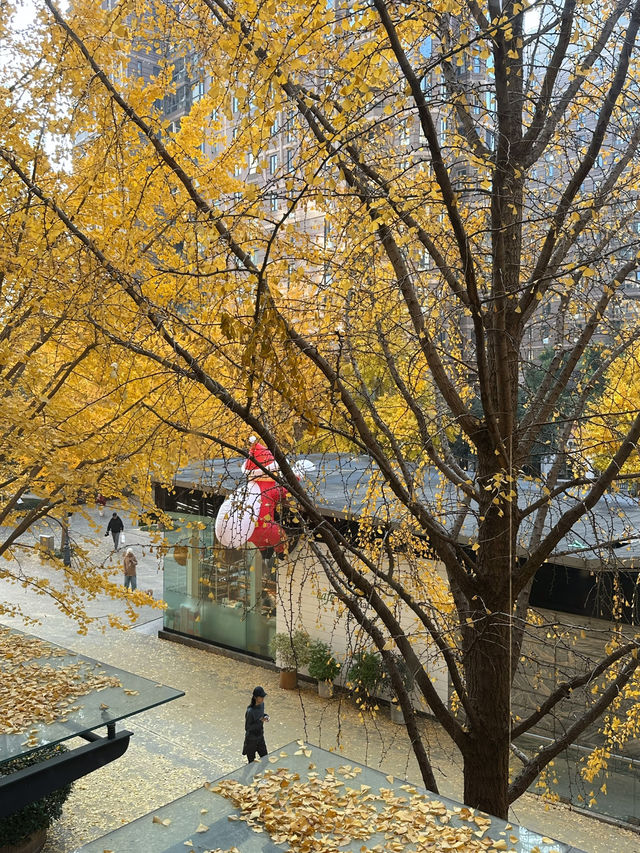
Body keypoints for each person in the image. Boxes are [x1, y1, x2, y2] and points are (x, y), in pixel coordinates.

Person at [242, 686, 269, 762]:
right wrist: (260, 721)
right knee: (251, 763)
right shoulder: (250, 711)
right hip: (251, 740)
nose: (263, 699)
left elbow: (262, 714)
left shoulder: (262, 705)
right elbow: (248, 727)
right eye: (261, 697)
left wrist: (266, 716)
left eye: (263, 697)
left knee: (265, 760)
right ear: (255, 697)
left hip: (260, 737)